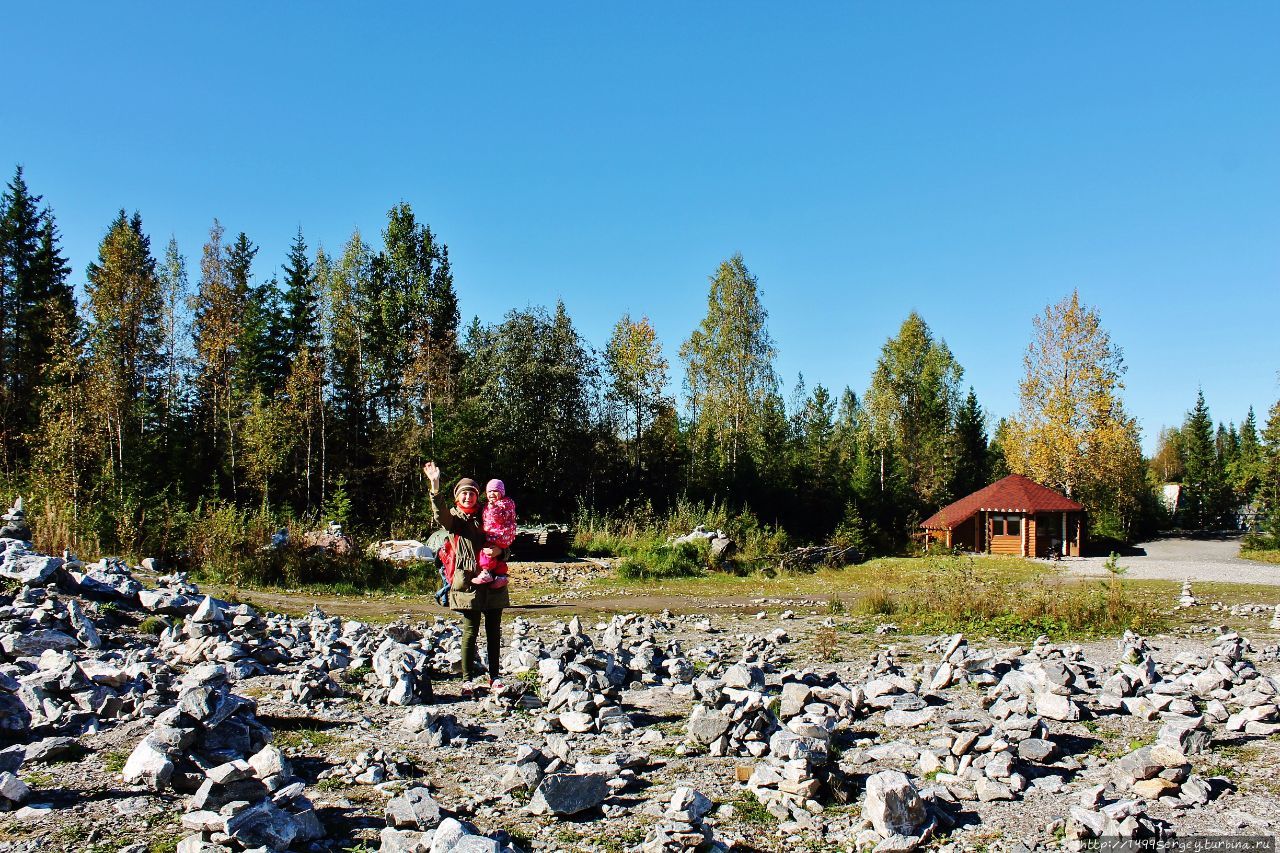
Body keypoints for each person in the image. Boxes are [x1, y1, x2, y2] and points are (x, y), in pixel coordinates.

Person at [424, 461, 509, 695]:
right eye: (464, 494)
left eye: (472, 493)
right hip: (467, 581)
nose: (468, 497)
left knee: (494, 630)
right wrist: (435, 484)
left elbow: (506, 540)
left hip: (493, 579)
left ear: (477, 496)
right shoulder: (454, 519)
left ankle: (495, 677)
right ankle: (467, 679)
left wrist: (501, 552)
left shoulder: (489, 514)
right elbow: (439, 513)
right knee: (470, 630)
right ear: (457, 498)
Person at [473, 479, 516, 589]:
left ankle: (486, 572)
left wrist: (493, 508)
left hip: (498, 535)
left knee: (486, 552)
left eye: (495, 491)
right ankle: (501, 576)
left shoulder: (501, 504)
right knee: (498, 559)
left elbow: (498, 517)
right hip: (503, 536)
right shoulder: (502, 504)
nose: (492, 494)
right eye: (489, 492)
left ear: (502, 492)